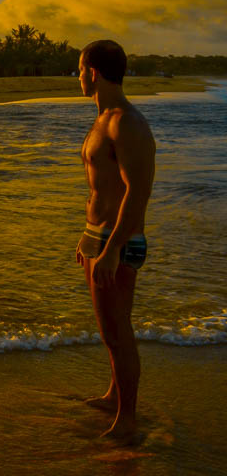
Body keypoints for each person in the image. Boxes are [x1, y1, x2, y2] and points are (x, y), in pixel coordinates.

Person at [74, 39, 155, 445]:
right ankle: (112, 395)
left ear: (93, 71)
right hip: (98, 237)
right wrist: (87, 240)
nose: (77, 76)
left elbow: (137, 194)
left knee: (118, 331)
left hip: (117, 242)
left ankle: (127, 419)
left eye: (79, 68)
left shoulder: (127, 122)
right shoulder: (102, 118)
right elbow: (101, 189)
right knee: (109, 331)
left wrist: (110, 250)